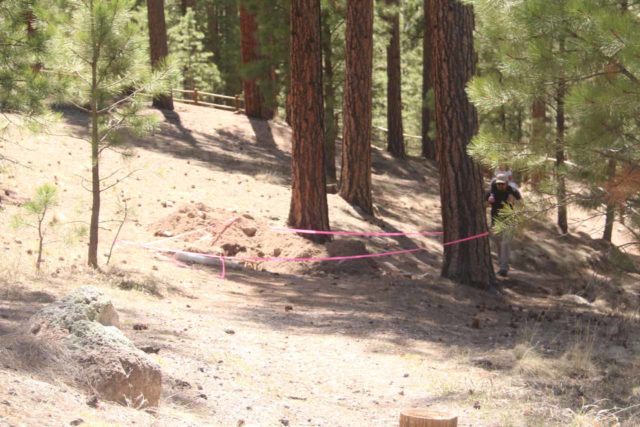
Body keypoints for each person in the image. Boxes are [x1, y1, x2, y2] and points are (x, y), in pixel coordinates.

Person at [486, 172, 522, 277]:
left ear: (507, 183)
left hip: (509, 222)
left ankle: (504, 268)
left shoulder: (513, 191)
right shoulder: (491, 192)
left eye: (502, 184)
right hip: (495, 222)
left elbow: (522, 204)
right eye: (498, 184)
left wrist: (513, 202)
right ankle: (502, 265)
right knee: (498, 245)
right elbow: (483, 204)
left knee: (505, 244)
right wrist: (488, 202)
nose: (500, 186)